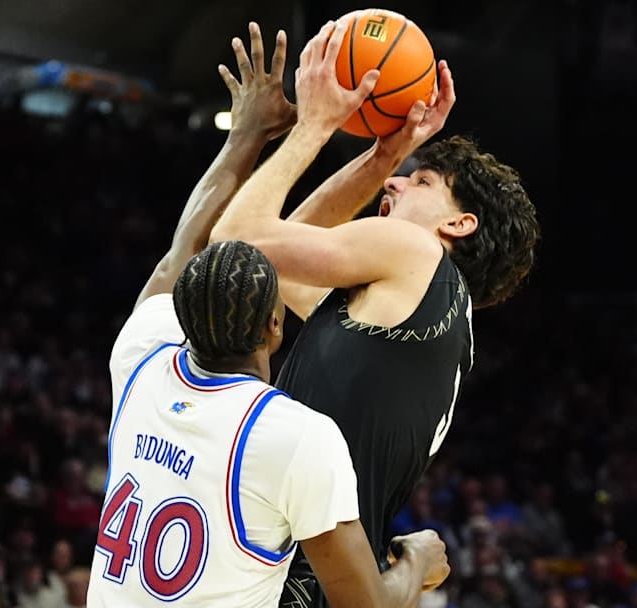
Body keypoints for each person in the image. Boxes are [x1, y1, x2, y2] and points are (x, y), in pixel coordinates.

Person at [86, 23, 449, 607]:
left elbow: (182, 253)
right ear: (277, 325)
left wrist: (246, 136)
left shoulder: (140, 364)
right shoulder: (293, 436)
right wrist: (416, 564)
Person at [210, 17, 540, 607]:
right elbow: (284, 249)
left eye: (421, 181)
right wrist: (385, 153)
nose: (394, 186)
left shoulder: (415, 253)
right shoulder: (416, 317)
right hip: (321, 583)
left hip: (288, 578)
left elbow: (235, 244)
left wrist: (315, 124)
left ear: (458, 224)